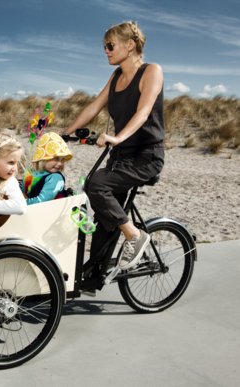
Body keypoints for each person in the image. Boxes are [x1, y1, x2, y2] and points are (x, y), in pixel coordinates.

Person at [63, 21, 165, 279]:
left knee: (95, 185)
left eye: (110, 45)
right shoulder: (116, 76)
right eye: (104, 47)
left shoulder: (151, 71)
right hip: (120, 157)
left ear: (130, 46)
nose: (106, 51)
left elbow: (143, 113)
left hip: (145, 156)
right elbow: (94, 107)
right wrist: (65, 133)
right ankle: (94, 272)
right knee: (104, 217)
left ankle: (135, 235)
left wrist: (118, 137)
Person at [24, 132, 73, 204]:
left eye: (62, 160)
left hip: (51, 210)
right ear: (43, 159)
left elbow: (42, 201)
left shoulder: (55, 177)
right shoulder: (32, 172)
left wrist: (21, 203)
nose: (60, 163)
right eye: (56, 158)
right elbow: (23, 188)